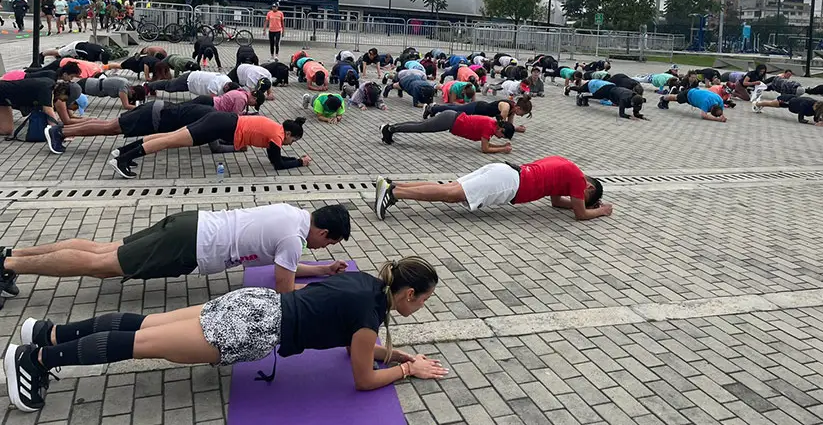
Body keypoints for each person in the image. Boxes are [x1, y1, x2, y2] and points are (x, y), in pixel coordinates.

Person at [4, 256, 444, 414]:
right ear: (408, 293)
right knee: (140, 344)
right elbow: (363, 377)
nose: (420, 306)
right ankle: (35, 360)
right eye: (422, 300)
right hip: (251, 328)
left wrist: (397, 354)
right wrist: (408, 370)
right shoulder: (369, 314)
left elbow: (357, 347)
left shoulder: (364, 282)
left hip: (253, 303)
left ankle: (49, 333)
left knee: (144, 325)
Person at [0, 202, 349, 293]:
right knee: (101, 265)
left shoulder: (293, 216)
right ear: (323, 230)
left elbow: (285, 266)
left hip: (191, 223)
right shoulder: (293, 238)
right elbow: (285, 287)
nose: (323, 248)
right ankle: (8, 268)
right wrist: (324, 289)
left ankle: (12, 256)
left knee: (101, 248)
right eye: (328, 242)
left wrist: (321, 271)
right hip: (191, 245)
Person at [374, 156, 610, 221]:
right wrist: (601, 211)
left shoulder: (566, 168)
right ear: (588, 187)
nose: (578, 197)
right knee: (449, 194)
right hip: (509, 184)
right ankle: (395, 193)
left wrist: (580, 205)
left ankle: (393, 186)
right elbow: (580, 214)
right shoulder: (578, 180)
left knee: (450, 190)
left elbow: (557, 203)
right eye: (585, 197)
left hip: (505, 171)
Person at [108, 114, 311, 178]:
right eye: (293, 141)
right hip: (220, 126)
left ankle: (124, 152)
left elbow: (274, 159)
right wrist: (299, 163)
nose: (290, 144)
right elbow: (276, 164)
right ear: (289, 133)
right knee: (170, 142)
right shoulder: (276, 136)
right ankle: (122, 159)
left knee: (170, 136)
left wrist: (294, 160)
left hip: (220, 120)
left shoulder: (275, 127)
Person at [43, 97, 247, 155]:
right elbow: (216, 147)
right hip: (152, 117)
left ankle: (62, 130)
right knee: (108, 128)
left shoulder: (212, 111)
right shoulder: (216, 121)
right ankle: (59, 132)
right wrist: (237, 147)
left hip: (155, 108)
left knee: (109, 124)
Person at [380, 111, 514, 152]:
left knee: (420, 125)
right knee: (420, 127)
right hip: (449, 120)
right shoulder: (490, 127)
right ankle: (390, 129)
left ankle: (391, 128)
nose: (499, 137)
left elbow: (487, 146)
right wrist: (503, 149)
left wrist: (503, 147)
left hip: (451, 118)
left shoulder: (492, 124)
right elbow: (485, 149)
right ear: (501, 129)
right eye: (502, 136)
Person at [425, 96, 532, 132]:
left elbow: (508, 125)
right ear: (518, 108)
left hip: (480, 110)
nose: (522, 115)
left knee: (455, 109)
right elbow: (501, 122)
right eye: (523, 113)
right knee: (455, 109)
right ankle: (432, 108)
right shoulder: (507, 106)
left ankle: (433, 109)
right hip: (477, 107)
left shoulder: (512, 111)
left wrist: (515, 128)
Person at [575, 79, 646, 119]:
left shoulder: (639, 99)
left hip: (614, 88)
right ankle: (582, 95)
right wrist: (630, 117)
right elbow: (621, 114)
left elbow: (636, 112)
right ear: (632, 102)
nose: (634, 107)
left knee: (597, 96)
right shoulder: (624, 99)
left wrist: (640, 116)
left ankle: (584, 97)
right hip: (607, 89)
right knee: (596, 96)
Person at [148, 70, 239, 98]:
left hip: (194, 82)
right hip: (190, 80)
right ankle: (148, 86)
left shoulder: (228, 80)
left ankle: (151, 86)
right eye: (225, 89)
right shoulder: (216, 84)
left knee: (170, 85)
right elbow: (212, 101)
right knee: (169, 86)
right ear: (226, 86)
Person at [658, 86, 727, 122]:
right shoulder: (706, 103)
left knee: (677, 97)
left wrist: (722, 117)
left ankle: (678, 91)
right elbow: (704, 116)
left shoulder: (719, 100)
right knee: (676, 98)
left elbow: (721, 112)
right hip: (689, 94)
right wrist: (717, 119)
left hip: (696, 92)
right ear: (710, 110)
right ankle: (663, 98)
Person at [78, 76, 147, 111]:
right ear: (133, 91)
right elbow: (126, 106)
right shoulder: (123, 88)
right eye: (134, 96)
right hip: (87, 86)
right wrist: (141, 108)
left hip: (89, 82)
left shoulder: (127, 83)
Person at [753, 95, 823, 125]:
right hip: (788, 100)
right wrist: (811, 123)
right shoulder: (806, 104)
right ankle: (757, 103)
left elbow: (815, 119)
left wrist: (820, 121)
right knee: (772, 104)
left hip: (794, 103)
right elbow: (801, 119)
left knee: (772, 104)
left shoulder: (816, 108)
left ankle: (760, 104)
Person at [41, 40, 111, 64]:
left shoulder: (102, 50)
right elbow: (87, 63)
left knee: (61, 54)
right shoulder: (90, 55)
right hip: (74, 47)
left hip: (82, 43)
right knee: (59, 52)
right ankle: (43, 54)